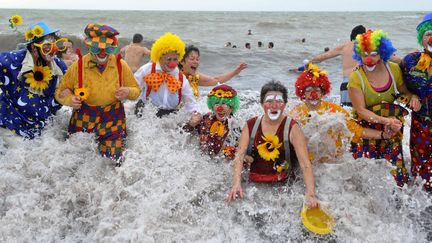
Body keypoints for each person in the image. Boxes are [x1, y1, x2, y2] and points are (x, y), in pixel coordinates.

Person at [55, 23, 141, 166]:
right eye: (97, 48)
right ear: (89, 47)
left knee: (113, 161)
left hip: (112, 118)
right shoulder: (78, 65)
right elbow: (60, 92)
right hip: (84, 116)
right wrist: (71, 100)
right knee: (74, 160)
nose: (102, 53)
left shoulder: (121, 65)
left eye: (107, 49)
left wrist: (128, 92)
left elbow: (136, 91)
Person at [226, 80, 319, 208]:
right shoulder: (251, 125)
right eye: (269, 101)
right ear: (261, 103)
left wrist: (310, 194)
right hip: (254, 185)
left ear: (285, 104)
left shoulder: (292, 128)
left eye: (279, 101)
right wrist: (236, 183)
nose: (274, 106)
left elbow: (305, 163)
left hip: (282, 187)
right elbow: (239, 156)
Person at [347, 29, 421, 187]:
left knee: (395, 176)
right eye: (364, 54)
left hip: (392, 130)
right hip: (366, 131)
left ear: (382, 53)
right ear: (359, 54)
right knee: (365, 179)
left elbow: (405, 92)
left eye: (374, 54)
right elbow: (360, 110)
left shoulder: (393, 70)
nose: (369, 59)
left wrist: (413, 97)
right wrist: (385, 121)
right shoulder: (356, 77)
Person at [291, 63, 395, 162]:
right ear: (302, 93)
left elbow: (357, 131)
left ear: (323, 92)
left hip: (333, 161)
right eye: (309, 90)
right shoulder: (295, 113)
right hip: (308, 162)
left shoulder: (335, 110)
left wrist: (384, 135)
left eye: (317, 90)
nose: (313, 94)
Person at [0, 21, 68, 144]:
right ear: (33, 46)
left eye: (55, 43)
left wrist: (66, 98)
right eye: (47, 45)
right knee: (22, 156)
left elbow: (62, 96)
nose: (53, 49)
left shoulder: (59, 67)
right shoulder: (11, 61)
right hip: (11, 124)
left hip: (40, 128)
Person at [134, 32, 202, 122]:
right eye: (169, 59)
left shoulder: (180, 78)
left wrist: (195, 113)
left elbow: (190, 101)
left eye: (175, 59)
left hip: (170, 117)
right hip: (146, 114)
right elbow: (133, 87)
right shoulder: (147, 70)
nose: (172, 63)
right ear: (160, 57)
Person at [400, 12, 432, 191]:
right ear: (422, 37)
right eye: (428, 33)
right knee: (420, 172)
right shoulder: (411, 60)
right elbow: (399, 84)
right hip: (421, 126)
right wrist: (411, 96)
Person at [309, 25, 366, 107]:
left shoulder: (344, 47)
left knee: (346, 114)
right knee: (361, 113)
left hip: (346, 84)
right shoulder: (366, 46)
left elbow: (324, 56)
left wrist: (310, 62)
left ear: (352, 35)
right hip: (360, 83)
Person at [183, 84, 241, 159]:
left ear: (231, 107)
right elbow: (182, 134)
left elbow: (239, 151)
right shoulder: (205, 119)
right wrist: (191, 124)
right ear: (212, 105)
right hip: (200, 159)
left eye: (224, 104)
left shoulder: (235, 126)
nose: (220, 108)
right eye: (216, 104)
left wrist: (226, 152)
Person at [179, 45, 247, 98]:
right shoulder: (174, 77)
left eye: (197, 59)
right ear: (181, 61)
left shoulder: (195, 78)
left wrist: (235, 72)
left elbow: (216, 80)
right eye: (192, 59)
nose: (196, 62)